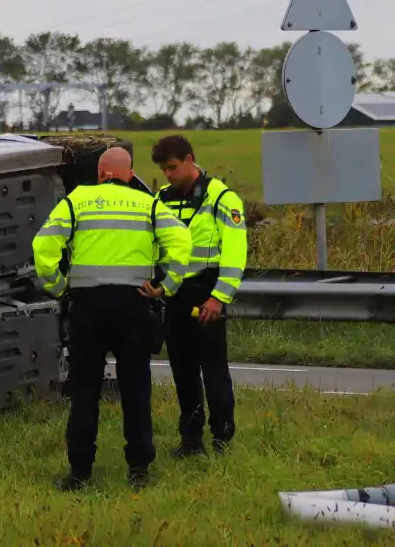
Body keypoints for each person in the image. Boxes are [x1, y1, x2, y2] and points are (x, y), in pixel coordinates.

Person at [33, 146, 192, 492]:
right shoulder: (148, 204)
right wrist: (166, 286)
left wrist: (60, 288)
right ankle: (139, 470)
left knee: (85, 390)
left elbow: (43, 248)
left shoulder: (78, 201)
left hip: (88, 306)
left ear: (102, 173)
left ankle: (79, 473)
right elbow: (182, 241)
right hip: (134, 305)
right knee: (136, 389)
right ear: (128, 174)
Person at [148, 135, 248, 457]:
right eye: (164, 170)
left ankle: (222, 438)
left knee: (214, 369)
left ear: (190, 159)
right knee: (183, 370)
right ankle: (191, 440)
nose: (168, 175)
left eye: (173, 167)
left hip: (207, 292)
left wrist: (219, 298)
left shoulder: (222, 198)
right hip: (175, 295)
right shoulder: (161, 199)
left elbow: (234, 254)